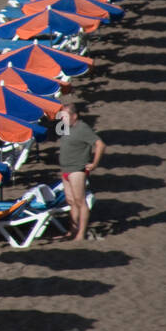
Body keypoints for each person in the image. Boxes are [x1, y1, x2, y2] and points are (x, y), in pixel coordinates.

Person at [57, 103, 104, 241]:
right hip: (66, 169)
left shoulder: (82, 128)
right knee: (71, 201)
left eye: (65, 115)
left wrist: (94, 163)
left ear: (74, 116)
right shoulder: (66, 127)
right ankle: (72, 231)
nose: (62, 118)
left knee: (80, 201)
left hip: (77, 169)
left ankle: (81, 234)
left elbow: (100, 144)